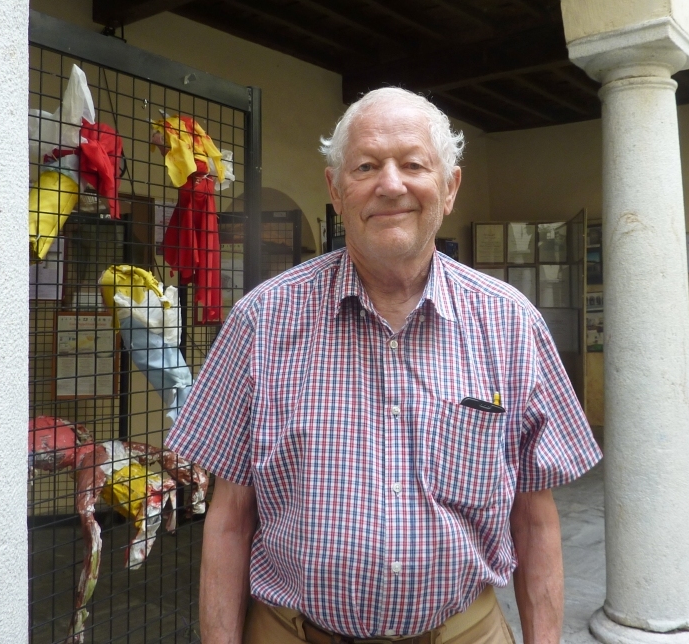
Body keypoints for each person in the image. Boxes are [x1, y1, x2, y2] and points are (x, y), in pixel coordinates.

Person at [166, 87, 601, 644]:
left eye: (413, 164)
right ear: (336, 190)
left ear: (450, 188)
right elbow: (227, 520)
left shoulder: (511, 324)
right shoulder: (261, 321)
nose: (390, 184)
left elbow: (535, 520)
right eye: (366, 165)